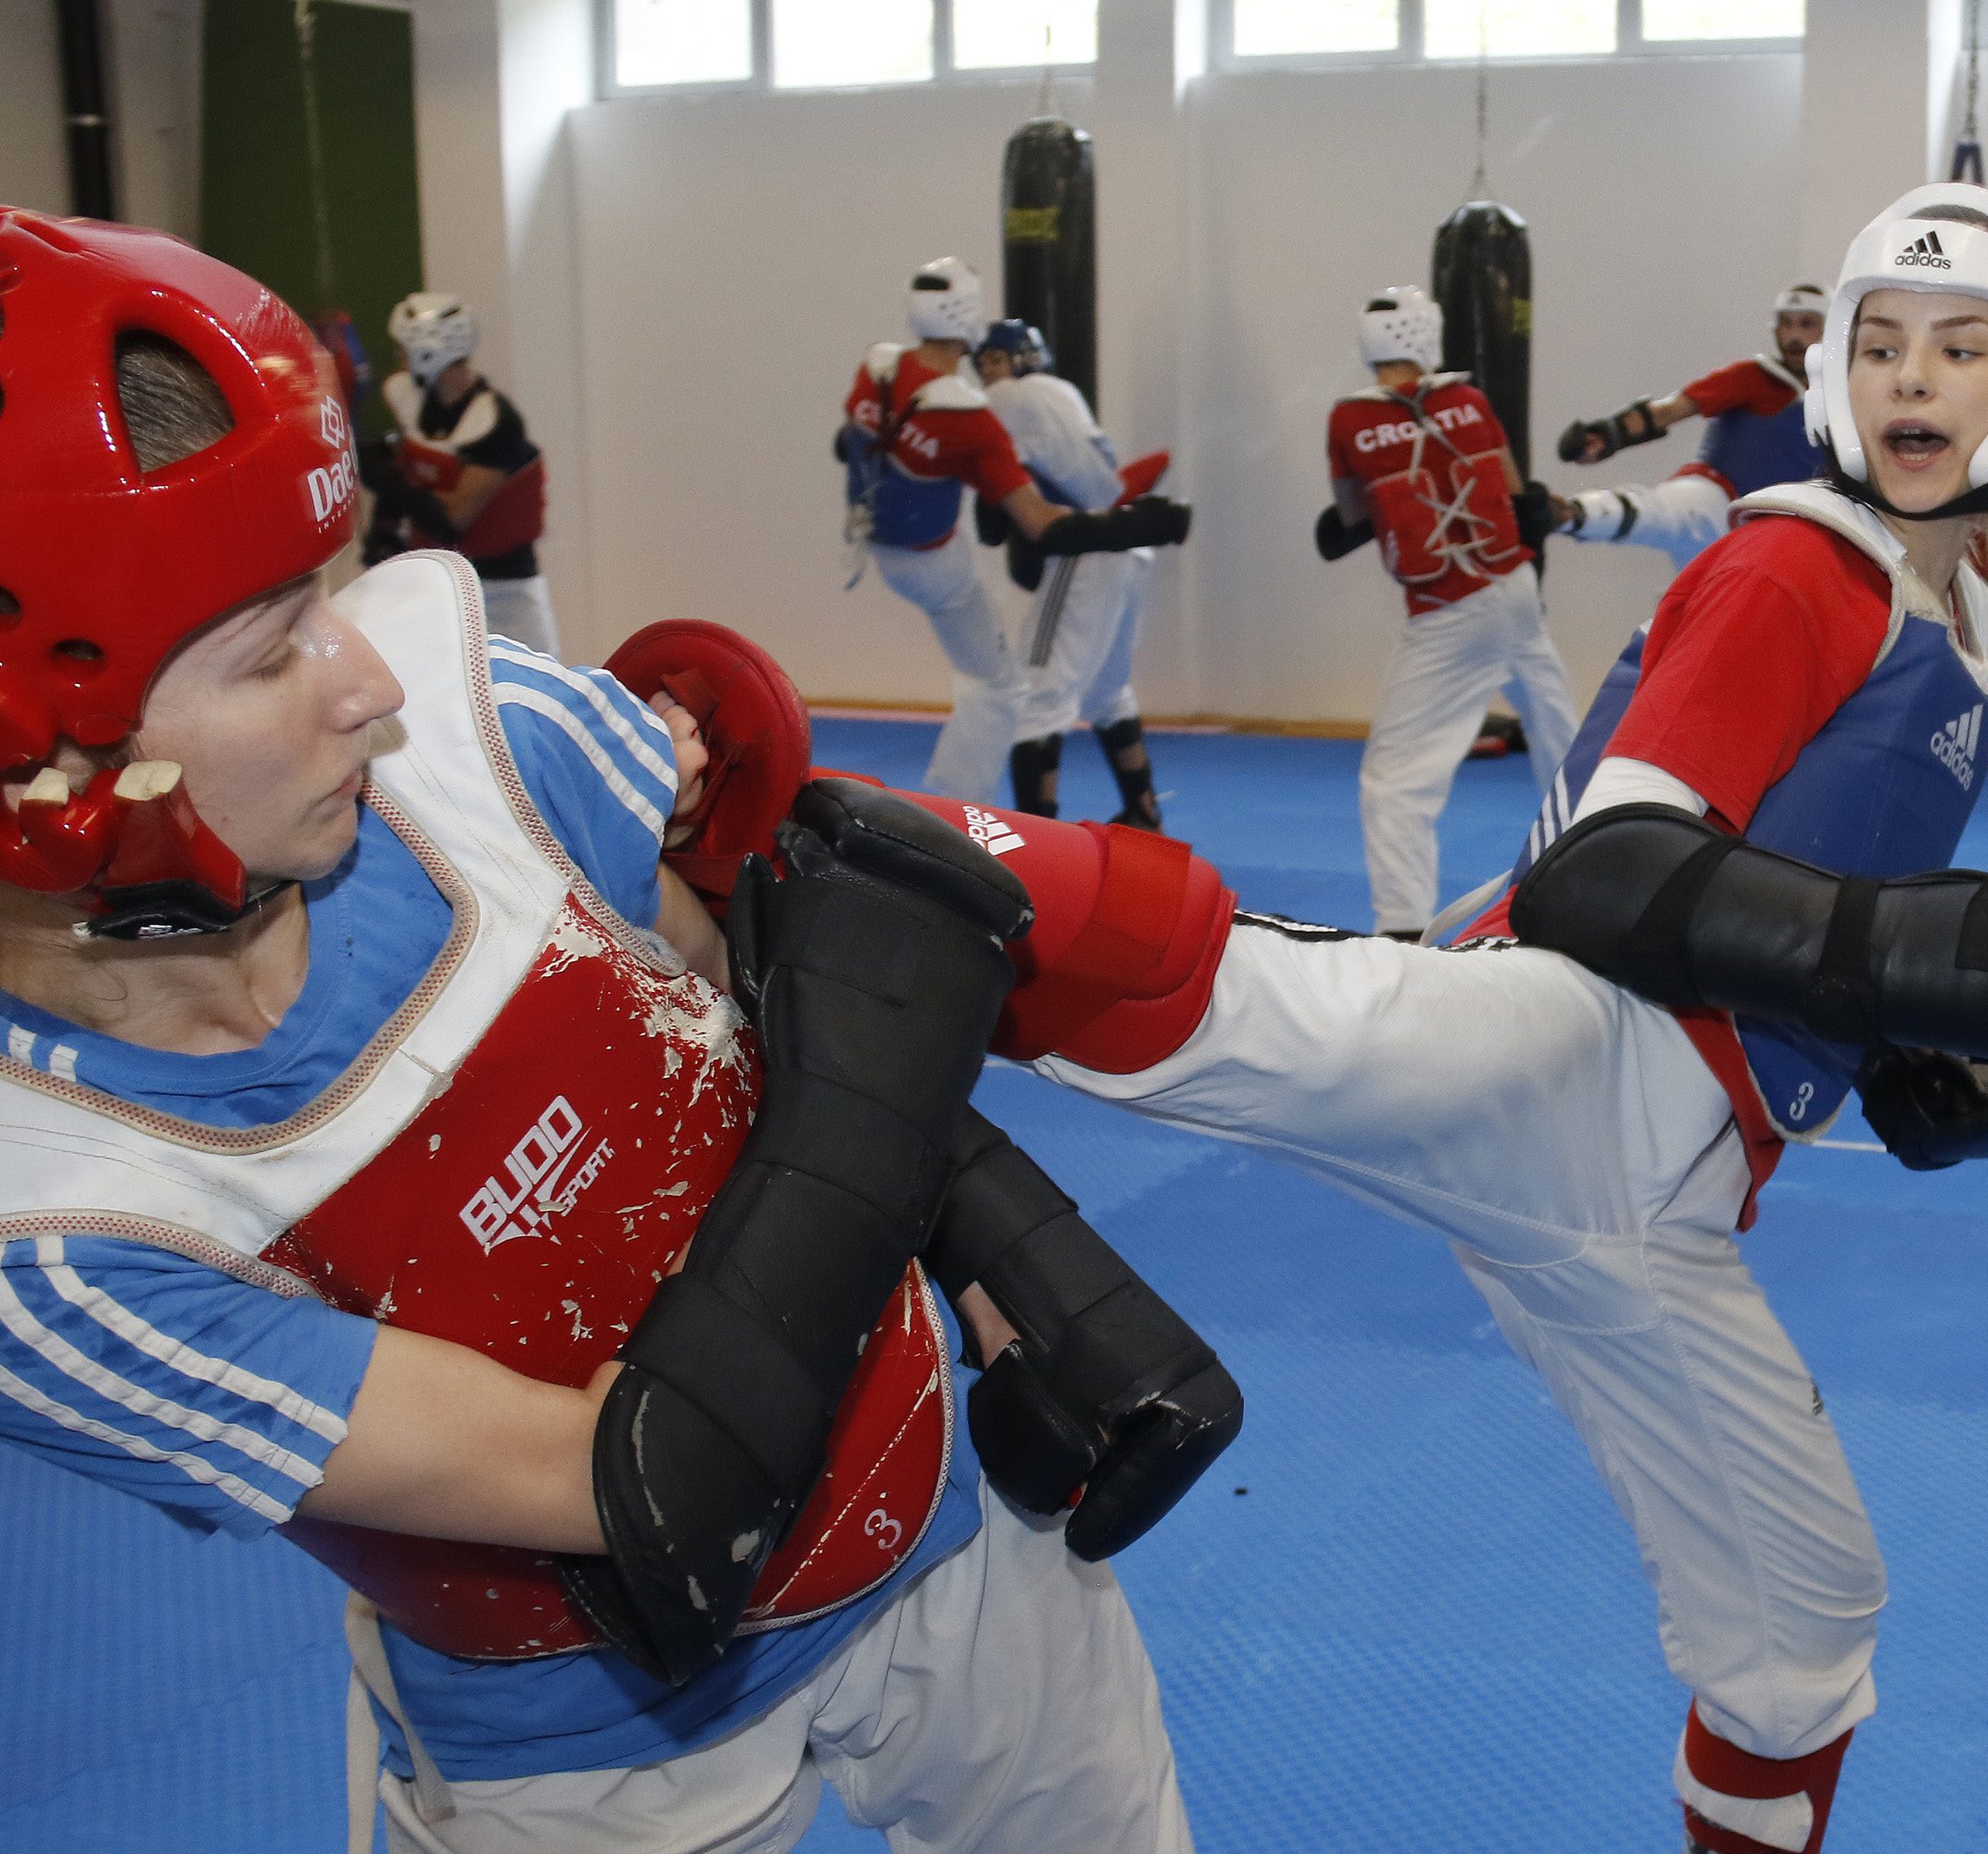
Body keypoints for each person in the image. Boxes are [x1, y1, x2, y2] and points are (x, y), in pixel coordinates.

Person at [666, 182, 1988, 1854]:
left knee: (1804, 1622)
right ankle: (769, 821)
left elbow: (1799, 870)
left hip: (1667, 1205)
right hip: (1579, 1051)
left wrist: (1899, 1040)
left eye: (1962, 346)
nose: (1915, 377)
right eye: (1885, 342)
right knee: (1272, 995)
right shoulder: (1806, 569)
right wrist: (1887, 950)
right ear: (1834, 372)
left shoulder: (1967, 614)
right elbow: (1613, 869)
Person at [0, 211, 1235, 1854]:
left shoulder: (478, 748)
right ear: (51, 778)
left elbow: (769, 1023)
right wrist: (895, 1070)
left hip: (958, 1535)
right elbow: (650, 1483)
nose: (367, 680)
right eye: (271, 647)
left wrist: (1020, 1257)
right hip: (591, 1755)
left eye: (329, 593)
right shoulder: (61, 1228)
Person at [839, 261, 1188, 804]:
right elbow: (1040, 522)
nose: (992, 368)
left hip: (876, 546)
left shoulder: (876, 369)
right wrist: (1138, 523)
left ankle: (1140, 813)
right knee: (1008, 688)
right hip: (940, 563)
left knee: (1099, 690)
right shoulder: (977, 416)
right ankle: (956, 815)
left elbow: (852, 442)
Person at [1316, 285, 1579, 939]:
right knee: (1564, 745)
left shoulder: (1349, 419)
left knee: (1395, 779)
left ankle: (1401, 931)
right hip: (1515, 588)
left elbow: (1349, 515)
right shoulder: (1468, 400)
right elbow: (1516, 497)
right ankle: (1598, 877)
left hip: (1448, 609)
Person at [969, 319, 1171, 832]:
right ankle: (1143, 809)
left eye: (994, 360)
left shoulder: (1010, 398)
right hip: (1130, 545)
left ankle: (1037, 837)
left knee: (1035, 694)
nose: (986, 372)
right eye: (983, 363)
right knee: (1108, 691)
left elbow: (994, 515)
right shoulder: (1062, 393)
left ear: (1019, 360)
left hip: (1087, 548)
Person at [1543, 284, 1832, 575]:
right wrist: (1609, 434)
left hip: (1774, 542)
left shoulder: (1850, 398)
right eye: (1785, 324)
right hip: (1718, 498)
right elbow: (1669, 411)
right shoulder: (1752, 377)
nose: (1793, 336)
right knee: (1669, 513)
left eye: (1807, 324)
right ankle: (1573, 515)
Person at [362, 293, 560, 655]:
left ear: (428, 351)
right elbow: (415, 467)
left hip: (504, 590)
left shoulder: (493, 422)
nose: (399, 358)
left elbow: (454, 516)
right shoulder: (411, 400)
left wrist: (386, 482)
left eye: (404, 349)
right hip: (438, 582)